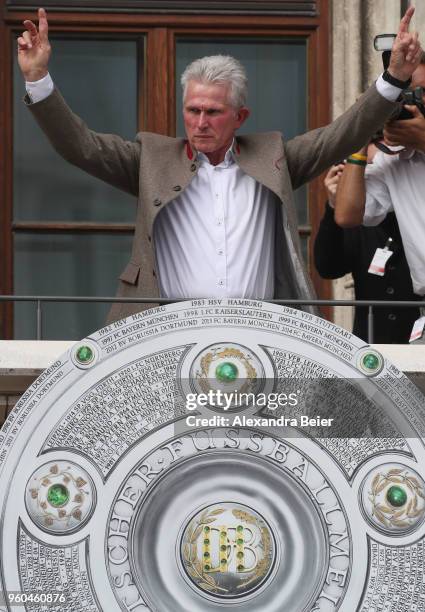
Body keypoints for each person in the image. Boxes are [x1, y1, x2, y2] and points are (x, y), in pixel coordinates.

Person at [17, 8, 422, 324]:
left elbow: (342, 134)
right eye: (192, 110)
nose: (200, 121)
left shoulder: (274, 157)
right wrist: (38, 80)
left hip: (258, 335)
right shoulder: (151, 160)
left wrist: (394, 78)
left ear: (240, 116)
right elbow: (81, 147)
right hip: (168, 335)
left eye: (213, 111)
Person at [334, 55, 425, 340]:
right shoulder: (394, 160)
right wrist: (361, 131)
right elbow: (348, 215)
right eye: (403, 94)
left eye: (419, 93)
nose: (410, 103)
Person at [314, 160, 419, 343]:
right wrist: (334, 205)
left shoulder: (415, 207)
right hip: (371, 344)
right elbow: (329, 268)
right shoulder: (355, 219)